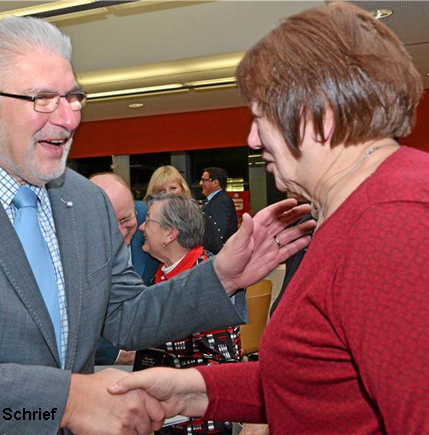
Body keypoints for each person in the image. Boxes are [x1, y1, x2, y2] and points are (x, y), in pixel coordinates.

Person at [0, 16, 315, 434]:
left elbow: (124, 317)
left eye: (73, 97)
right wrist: (66, 400)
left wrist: (221, 276)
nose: (68, 117)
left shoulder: (85, 200)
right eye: (42, 98)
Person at [111, 3, 429, 434]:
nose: (252, 139)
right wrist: (191, 390)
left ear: (319, 117)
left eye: (261, 119)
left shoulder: (394, 222)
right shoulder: (354, 213)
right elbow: (316, 383)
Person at [137, 193, 242, 434]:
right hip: (167, 409)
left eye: (149, 220)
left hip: (197, 420)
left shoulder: (207, 283)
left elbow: (223, 365)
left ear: (169, 234)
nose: (142, 226)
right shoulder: (163, 273)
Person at [89, 173, 157, 366]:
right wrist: (118, 355)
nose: (119, 231)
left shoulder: (152, 220)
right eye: (108, 223)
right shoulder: (66, 243)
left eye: (126, 220)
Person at [199, 167, 238, 254]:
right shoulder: (218, 200)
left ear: (215, 182)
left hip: (216, 255)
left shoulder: (221, 201)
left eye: (203, 180)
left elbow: (219, 234)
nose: (200, 183)